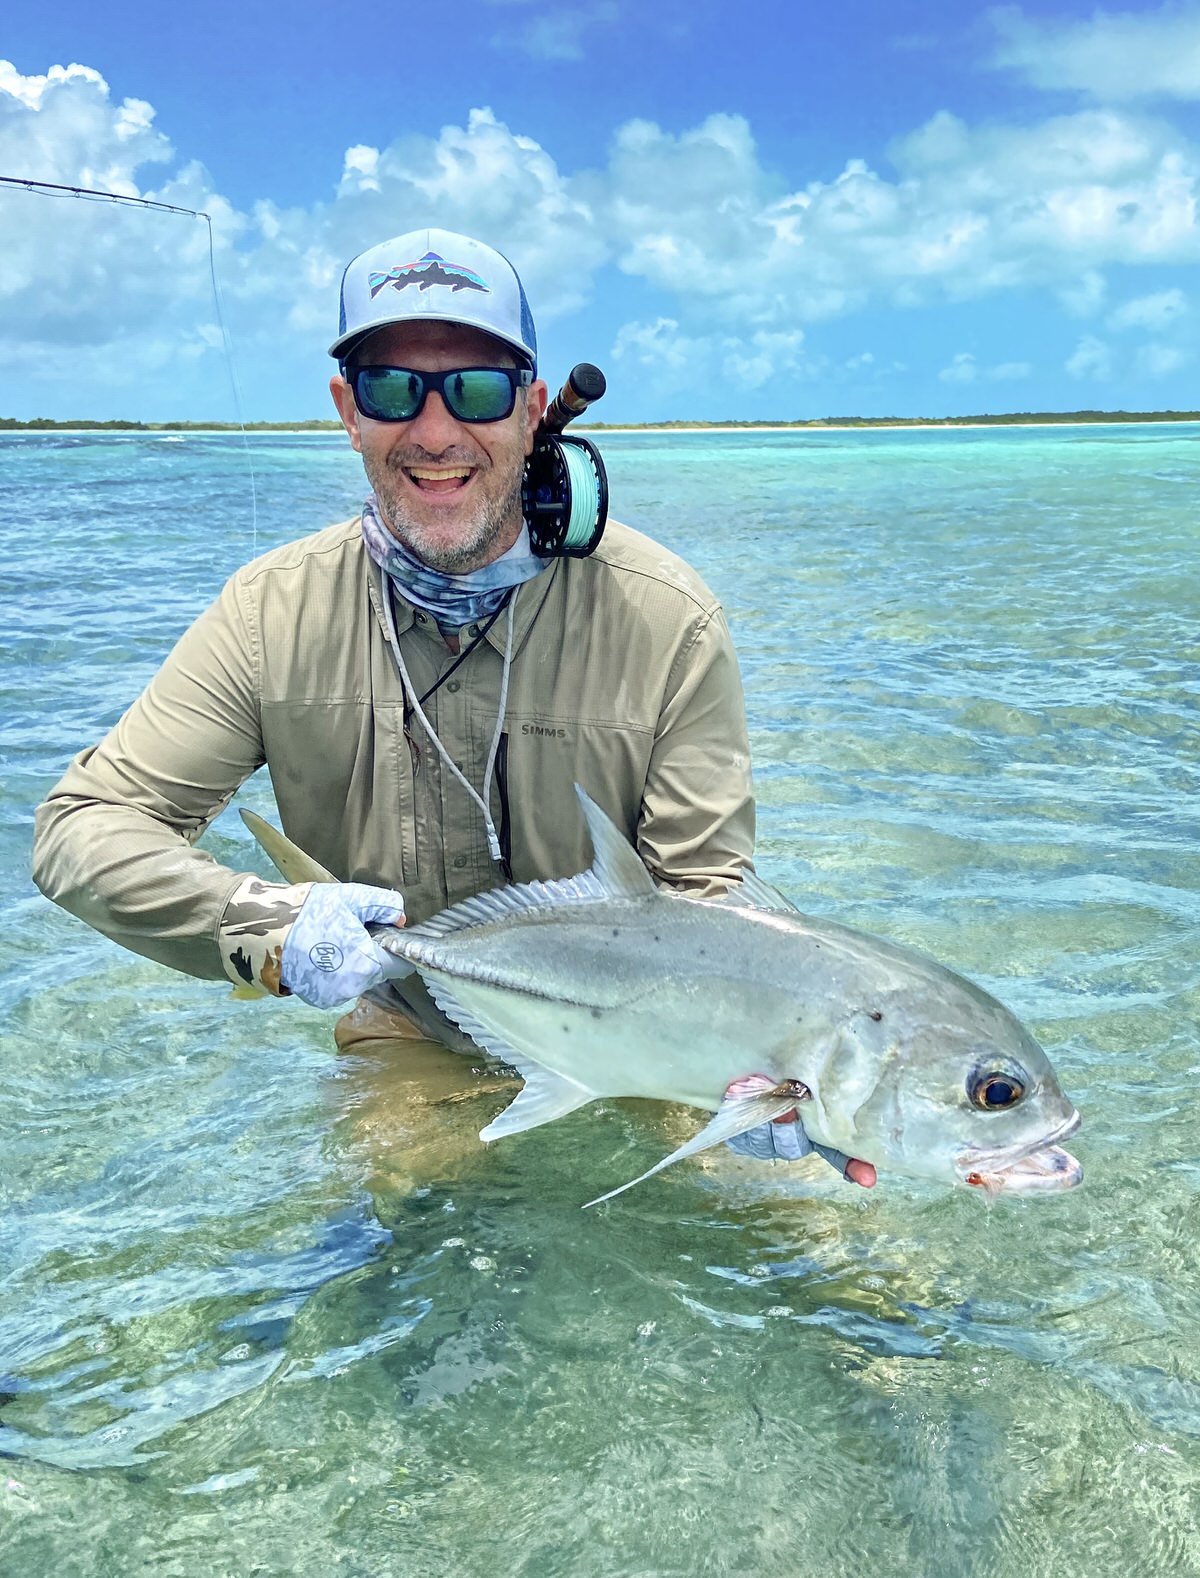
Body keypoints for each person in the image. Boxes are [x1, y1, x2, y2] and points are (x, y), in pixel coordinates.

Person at [31, 226, 873, 1188]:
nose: (435, 433)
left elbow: (703, 903)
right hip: (410, 1030)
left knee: (849, 1281)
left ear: (531, 410)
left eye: (475, 388)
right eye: (394, 388)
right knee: (404, 1277)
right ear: (349, 412)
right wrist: (268, 925)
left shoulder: (666, 616)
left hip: (656, 1051)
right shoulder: (270, 613)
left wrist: (779, 1064)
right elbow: (82, 830)